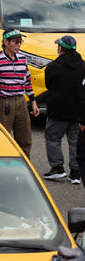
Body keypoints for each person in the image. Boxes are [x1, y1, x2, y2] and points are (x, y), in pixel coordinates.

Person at [0, 29, 39, 156]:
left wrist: (33, 102)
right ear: (6, 42)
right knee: (2, 137)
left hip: (21, 100)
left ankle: (24, 168)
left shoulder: (23, 58)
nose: (18, 45)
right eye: (15, 42)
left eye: (20, 42)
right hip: (3, 101)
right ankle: (1, 167)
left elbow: (27, 82)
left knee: (25, 139)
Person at [43, 36, 85, 183]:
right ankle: (76, 173)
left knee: (53, 138)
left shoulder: (53, 67)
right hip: (77, 112)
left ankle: (57, 168)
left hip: (58, 111)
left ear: (60, 49)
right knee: (74, 142)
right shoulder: (83, 66)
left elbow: (48, 85)